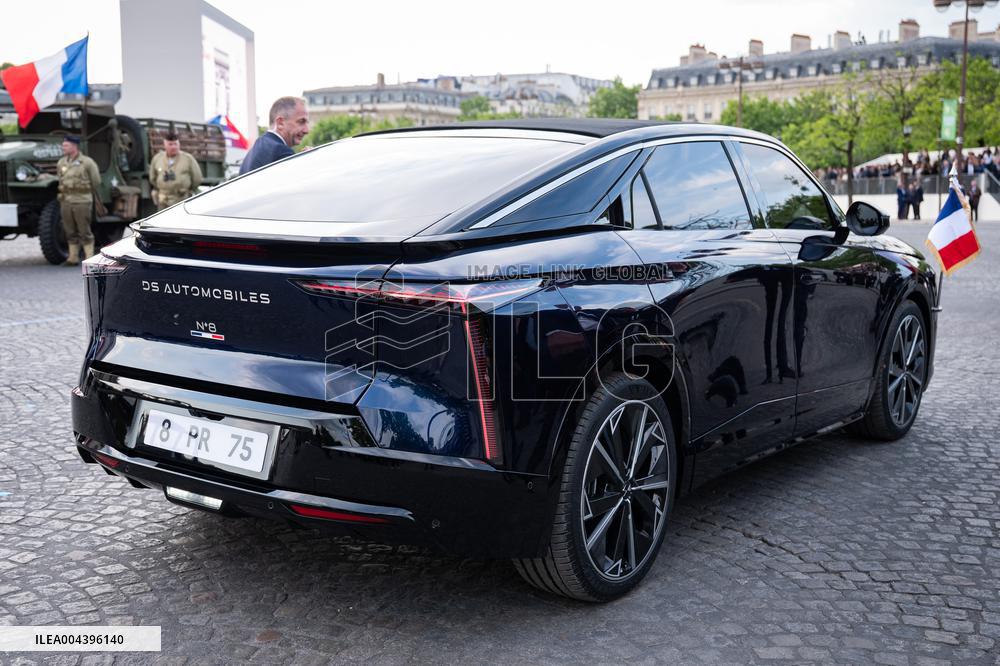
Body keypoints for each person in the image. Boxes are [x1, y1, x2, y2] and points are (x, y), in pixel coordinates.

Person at [56, 135, 100, 265]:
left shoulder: (87, 162)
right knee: (69, 230)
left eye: (66, 145)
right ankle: (73, 257)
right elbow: (60, 178)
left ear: (74, 146)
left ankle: (90, 258)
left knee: (84, 230)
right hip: (66, 201)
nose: (63, 148)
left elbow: (96, 181)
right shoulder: (62, 162)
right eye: (63, 145)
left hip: (82, 201)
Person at [239, 96, 310, 174]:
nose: (307, 130)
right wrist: (313, 161)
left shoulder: (256, 149)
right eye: (301, 121)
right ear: (280, 123)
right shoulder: (281, 152)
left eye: (307, 123)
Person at [149, 131, 203, 210]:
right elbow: (153, 178)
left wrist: (186, 189)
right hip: (163, 200)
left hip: (181, 198)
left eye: (175, 144)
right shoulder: (158, 158)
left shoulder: (187, 158)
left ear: (179, 144)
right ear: (165, 145)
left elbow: (197, 178)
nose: (173, 147)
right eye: (170, 144)